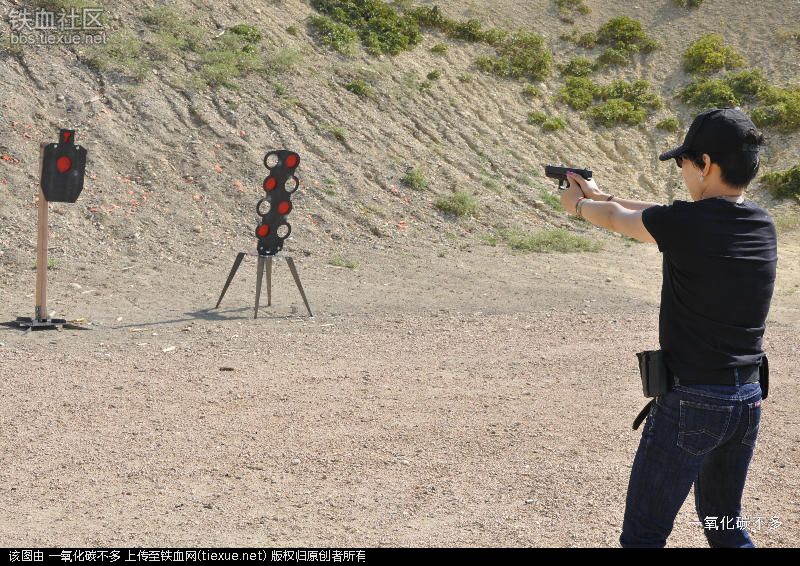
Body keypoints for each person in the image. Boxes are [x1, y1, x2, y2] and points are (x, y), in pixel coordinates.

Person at [559, 107, 777, 547]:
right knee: (725, 525)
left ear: (707, 165)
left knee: (644, 533)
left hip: (693, 401)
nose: (682, 172)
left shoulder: (686, 225)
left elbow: (626, 221)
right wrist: (602, 195)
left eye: (684, 163)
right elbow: (653, 212)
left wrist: (579, 206)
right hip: (746, 400)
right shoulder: (761, 223)